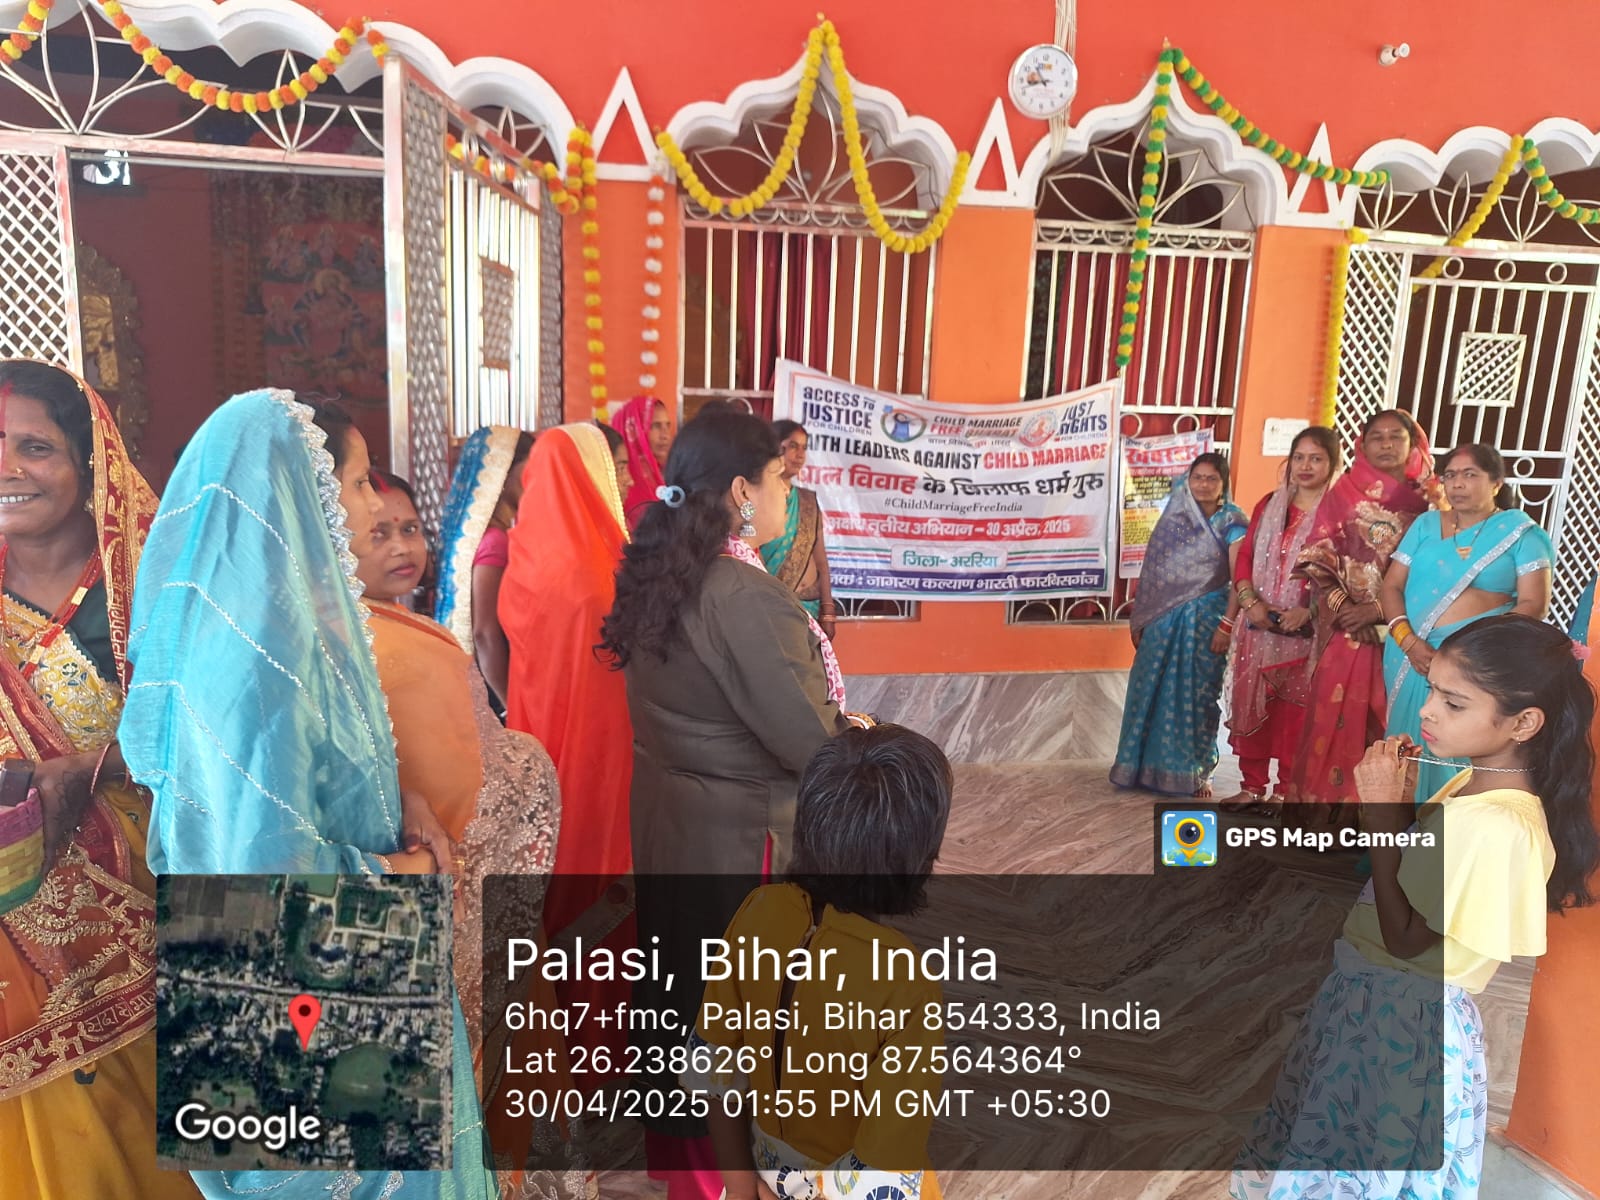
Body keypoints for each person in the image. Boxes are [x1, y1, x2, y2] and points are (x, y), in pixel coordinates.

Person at [118, 389, 496, 1199]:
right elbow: (273, 879)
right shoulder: (260, 672)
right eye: (357, 483)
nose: (372, 506)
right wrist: (406, 871)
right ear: (300, 493)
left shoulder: (264, 637)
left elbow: (296, 786)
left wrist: (400, 797)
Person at [1232, 614, 1600, 1200]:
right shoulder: (1473, 785)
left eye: (1454, 703)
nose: (1426, 711)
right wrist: (1400, 809)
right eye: (1432, 690)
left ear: (1524, 722)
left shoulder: (1499, 824)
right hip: (1377, 1005)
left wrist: (1384, 818)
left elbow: (1406, 939)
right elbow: (1419, 880)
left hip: (1404, 1022)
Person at [597, 408, 855, 1198]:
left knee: (682, 989)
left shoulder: (663, 572)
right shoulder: (743, 595)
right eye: (779, 476)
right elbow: (807, 741)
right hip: (743, 839)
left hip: (676, 823)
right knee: (740, 1012)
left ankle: (690, 1173)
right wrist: (855, 736)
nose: (787, 490)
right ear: (743, 490)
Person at [354, 470, 593, 1197]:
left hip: (477, 893)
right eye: (377, 530)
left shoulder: (413, 631)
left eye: (409, 528)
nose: (401, 545)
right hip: (436, 896)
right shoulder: (348, 647)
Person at [0, 360, 199, 1200]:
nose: (8, 468)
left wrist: (92, 768)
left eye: (35, 447)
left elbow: (234, 723)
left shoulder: (163, 582)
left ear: (92, 463)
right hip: (24, 927)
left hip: (178, 887)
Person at [687, 725, 950, 1200]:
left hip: (759, 1179)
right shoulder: (905, 981)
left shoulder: (757, 913)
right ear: (921, 859)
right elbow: (881, 1169)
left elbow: (713, 1073)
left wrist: (744, 1191)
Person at [499, 422, 634, 1059]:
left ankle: (556, 1039)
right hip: (601, 754)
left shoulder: (526, 554)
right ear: (587, 476)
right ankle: (600, 1042)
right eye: (614, 468)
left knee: (553, 881)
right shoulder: (599, 569)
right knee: (600, 882)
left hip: (539, 747)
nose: (624, 480)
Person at [1380, 444, 1553, 803]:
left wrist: (1468, 652)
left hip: (1475, 664)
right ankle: (1398, 829)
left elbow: (1533, 605)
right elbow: (1391, 586)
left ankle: (1453, 827)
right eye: (1450, 475)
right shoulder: (1426, 525)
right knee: (1408, 742)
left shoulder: (1522, 534)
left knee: (1459, 749)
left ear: (1496, 482)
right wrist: (1408, 641)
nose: (1457, 484)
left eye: (1470, 474)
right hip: (1412, 657)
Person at [1286, 411, 1435, 826]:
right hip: (1345, 633)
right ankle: (1325, 821)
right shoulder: (1343, 493)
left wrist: (1380, 613)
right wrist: (1348, 612)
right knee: (1332, 721)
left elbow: (1435, 574)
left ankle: (1376, 824)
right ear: (1362, 445)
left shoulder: (1431, 502)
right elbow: (1316, 557)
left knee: (1388, 722)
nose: (1386, 444)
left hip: (1403, 635)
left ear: (1413, 444)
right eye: (1376, 437)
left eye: (1396, 437)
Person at [1110, 453, 1247, 797]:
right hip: (1162, 623)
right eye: (1197, 477)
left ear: (1223, 484)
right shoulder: (1174, 518)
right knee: (1149, 691)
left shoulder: (1232, 521)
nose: (1203, 484)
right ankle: (1140, 768)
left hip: (1206, 622)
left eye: (1212, 478)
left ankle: (1198, 771)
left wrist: (1227, 625)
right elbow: (1154, 573)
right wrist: (1143, 616)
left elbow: (1240, 578)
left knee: (1198, 697)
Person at [1221, 427, 1339, 815]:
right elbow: (1245, 557)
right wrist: (1249, 601)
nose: (1305, 466)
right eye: (1299, 457)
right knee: (1251, 705)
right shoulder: (1269, 505)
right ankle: (1251, 786)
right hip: (1258, 630)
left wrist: (1310, 610)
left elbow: (1346, 572)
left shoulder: (1338, 514)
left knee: (1294, 714)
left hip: (1305, 634)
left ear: (1332, 464)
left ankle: (1285, 790)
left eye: (1316, 458)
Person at [435, 425, 534, 712]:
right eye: (531, 468)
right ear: (503, 473)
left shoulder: (479, 536)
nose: (536, 479)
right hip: (491, 686)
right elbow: (485, 633)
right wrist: (509, 705)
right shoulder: (495, 541)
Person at [760, 419, 837, 638]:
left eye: (804, 448)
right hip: (770, 609)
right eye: (793, 446)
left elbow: (821, 562)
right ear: (774, 448)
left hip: (810, 607)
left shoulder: (808, 501)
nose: (800, 455)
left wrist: (828, 611)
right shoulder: (755, 499)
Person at [615, 393, 674, 530]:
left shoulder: (669, 474)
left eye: (667, 425)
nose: (665, 435)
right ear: (633, 429)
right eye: (656, 426)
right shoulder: (619, 480)